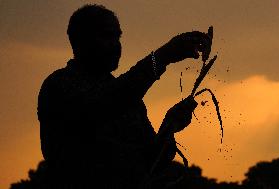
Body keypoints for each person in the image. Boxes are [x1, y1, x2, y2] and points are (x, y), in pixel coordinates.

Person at [37, 4, 212, 189]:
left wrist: (168, 126)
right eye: (106, 36)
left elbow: (151, 162)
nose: (116, 44)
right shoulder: (59, 85)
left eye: (117, 36)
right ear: (81, 41)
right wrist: (162, 56)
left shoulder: (130, 99)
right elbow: (104, 105)